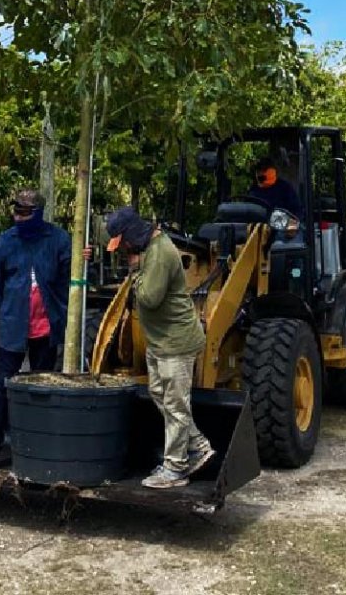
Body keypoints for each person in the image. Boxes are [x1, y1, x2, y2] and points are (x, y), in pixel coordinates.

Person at [105, 206, 214, 489]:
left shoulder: (159, 255)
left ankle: (175, 468)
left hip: (176, 342)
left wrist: (134, 271)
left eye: (123, 244)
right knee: (160, 395)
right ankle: (198, 444)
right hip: (160, 342)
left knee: (176, 405)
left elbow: (150, 298)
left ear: (131, 235)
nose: (123, 250)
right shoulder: (149, 252)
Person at [0, 188, 72, 479]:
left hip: (47, 327)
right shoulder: (6, 240)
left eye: (24, 213)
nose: (17, 217)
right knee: (1, 386)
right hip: (12, 324)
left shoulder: (59, 239)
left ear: (37, 214)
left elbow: (71, 280)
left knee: (42, 389)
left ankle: (37, 449)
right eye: (16, 212)